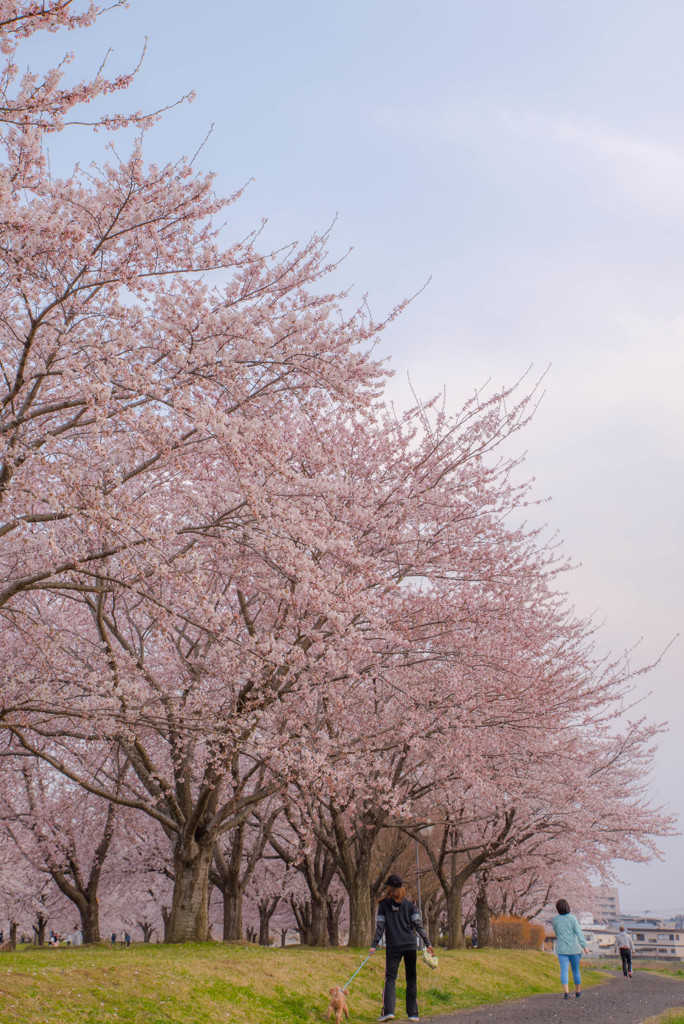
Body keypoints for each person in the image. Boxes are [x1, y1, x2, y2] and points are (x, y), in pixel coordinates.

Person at [369, 872, 434, 1023]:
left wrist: (373, 945)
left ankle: (388, 1011)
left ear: (389, 889)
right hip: (410, 945)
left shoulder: (384, 905)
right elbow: (418, 925)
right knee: (411, 978)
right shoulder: (410, 905)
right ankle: (413, 1013)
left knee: (390, 978)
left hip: (393, 947)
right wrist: (427, 943)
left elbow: (380, 927)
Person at [551, 898, 588, 999]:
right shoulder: (572, 918)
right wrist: (584, 946)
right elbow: (578, 932)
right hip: (574, 949)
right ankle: (578, 991)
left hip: (562, 949)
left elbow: (556, 932)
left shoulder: (555, 920)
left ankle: (566, 992)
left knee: (564, 970)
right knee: (575, 970)